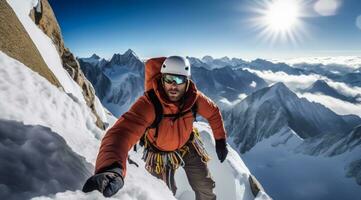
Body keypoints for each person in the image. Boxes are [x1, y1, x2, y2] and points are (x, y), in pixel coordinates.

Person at [82, 56, 228, 200]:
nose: (173, 86)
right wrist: (111, 168)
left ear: (187, 82)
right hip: (159, 153)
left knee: (205, 185)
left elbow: (213, 112)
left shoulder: (194, 98)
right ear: (162, 79)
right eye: (168, 79)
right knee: (164, 194)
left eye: (179, 80)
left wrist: (220, 139)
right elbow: (121, 133)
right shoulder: (150, 104)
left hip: (187, 144)